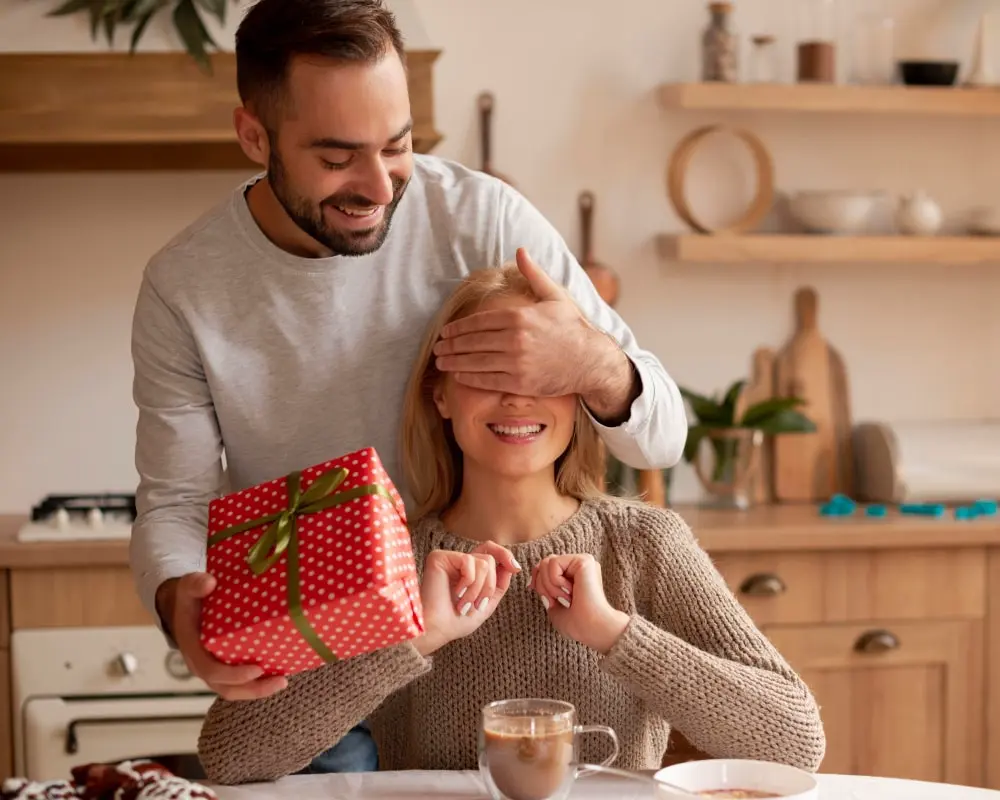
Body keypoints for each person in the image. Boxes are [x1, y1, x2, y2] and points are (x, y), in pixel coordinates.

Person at [129, 0, 688, 776]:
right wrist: (180, 601)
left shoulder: (484, 218)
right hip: (325, 673)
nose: (379, 186)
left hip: (485, 633)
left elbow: (661, 432)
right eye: (336, 158)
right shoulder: (183, 286)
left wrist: (590, 361)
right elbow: (177, 504)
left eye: (397, 147)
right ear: (254, 136)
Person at [195, 265, 826, 785]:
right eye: (486, 374)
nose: (517, 399)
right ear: (440, 396)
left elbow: (797, 740)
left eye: (543, 376)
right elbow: (230, 755)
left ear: (577, 396)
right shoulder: (389, 556)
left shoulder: (644, 544)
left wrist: (613, 633)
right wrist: (416, 637)